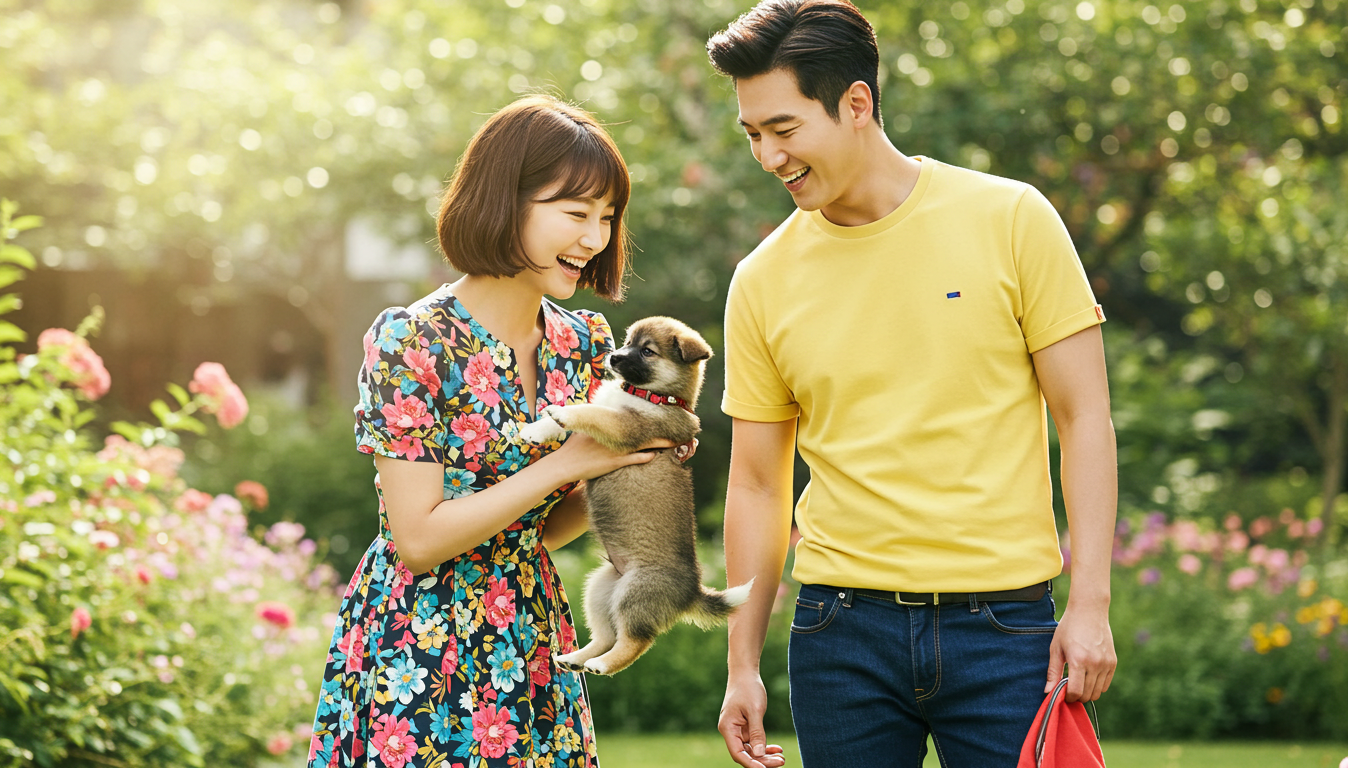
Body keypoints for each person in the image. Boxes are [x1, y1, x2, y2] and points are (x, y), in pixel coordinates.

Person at [705, 2, 1119, 767]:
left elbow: (1084, 414)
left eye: (785, 129)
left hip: (1005, 633)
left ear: (856, 103)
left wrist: (1090, 603)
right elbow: (758, 487)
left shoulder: (1012, 219)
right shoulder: (761, 281)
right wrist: (742, 664)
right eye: (753, 134)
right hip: (841, 636)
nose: (768, 156)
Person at [305, 95, 682, 768]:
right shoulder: (413, 339)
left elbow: (539, 527)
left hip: (529, 631)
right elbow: (417, 541)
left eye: (607, 216)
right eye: (574, 214)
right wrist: (569, 463)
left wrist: (627, 467)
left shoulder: (583, 341)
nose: (594, 238)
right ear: (505, 201)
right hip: (420, 645)